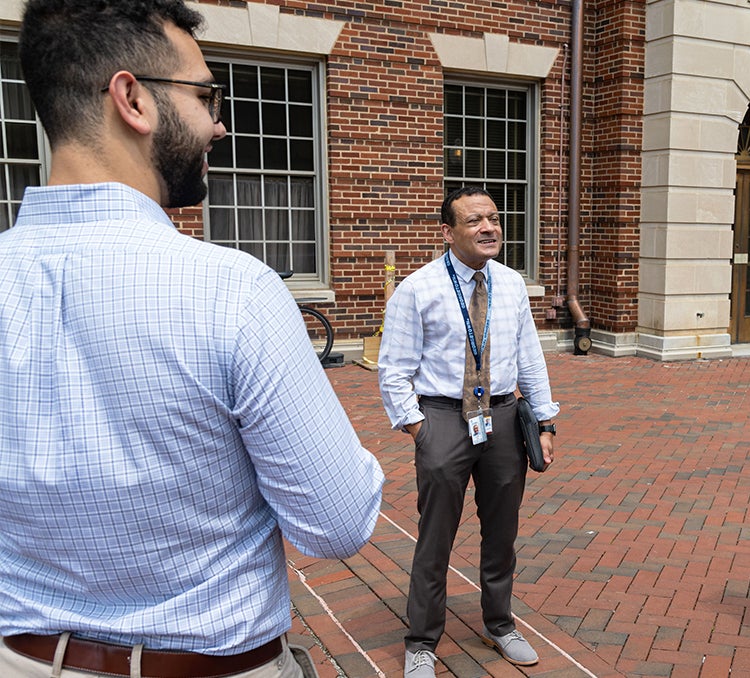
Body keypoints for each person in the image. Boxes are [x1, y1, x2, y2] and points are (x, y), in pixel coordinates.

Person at [0, 2, 385, 677]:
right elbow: (337, 521)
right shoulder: (233, 291)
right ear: (132, 99)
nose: (219, 123)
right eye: (206, 94)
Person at [378, 186, 559, 678]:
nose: (489, 227)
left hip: (502, 419)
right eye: (475, 220)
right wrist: (419, 429)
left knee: (503, 532)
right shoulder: (418, 288)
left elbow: (529, 356)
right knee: (436, 536)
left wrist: (543, 421)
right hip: (442, 417)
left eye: (494, 218)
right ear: (448, 232)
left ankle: (500, 623)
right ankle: (421, 640)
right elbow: (393, 370)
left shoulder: (512, 284)